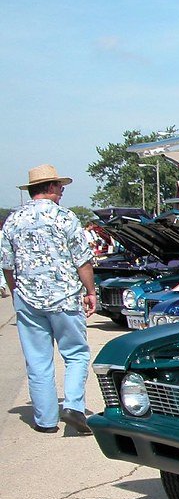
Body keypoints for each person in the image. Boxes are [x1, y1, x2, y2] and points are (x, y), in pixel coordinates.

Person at [1, 165, 96, 435]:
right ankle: (74, 406)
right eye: (59, 185)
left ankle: (45, 421)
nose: (62, 189)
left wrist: (15, 290)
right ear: (51, 188)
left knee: (38, 359)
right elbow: (83, 260)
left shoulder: (13, 219)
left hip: (28, 298)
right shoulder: (65, 218)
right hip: (64, 297)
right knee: (76, 354)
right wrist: (90, 291)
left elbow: (7, 264)